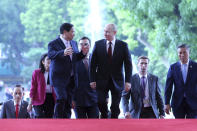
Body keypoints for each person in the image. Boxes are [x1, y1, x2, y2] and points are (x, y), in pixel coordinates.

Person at [90, 23, 132, 118]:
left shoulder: (123, 45)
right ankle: (104, 115)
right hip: (100, 80)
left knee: (115, 106)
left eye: (107, 32)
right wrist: (92, 80)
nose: (105, 34)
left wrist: (128, 81)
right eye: (104, 31)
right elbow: (92, 65)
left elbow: (128, 65)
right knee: (100, 102)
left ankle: (114, 121)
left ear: (115, 32)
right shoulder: (98, 44)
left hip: (117, 80)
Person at [48, 23, 88, 118]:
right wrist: (63, 52)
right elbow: (51, 55)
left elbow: (75, 57)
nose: (74, 34)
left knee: (68, 102)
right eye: (72, 32)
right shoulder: (53, 43)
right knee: (62, 98)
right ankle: (57, 120)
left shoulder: (73, 43)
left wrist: (83, 53)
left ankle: (67, 121)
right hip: (59, 78)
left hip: (71, 78)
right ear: (65, 32)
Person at [165, 44, 197, 118]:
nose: (182, 55)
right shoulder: (173, 67)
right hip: (178, 103)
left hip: (194, 103)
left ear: (189, 53)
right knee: (179, 127)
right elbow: (168, 86)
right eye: (180, 53)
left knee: (192, 126)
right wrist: (166, 103)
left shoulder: (195, 67)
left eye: (184, 52)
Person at [73, 36, 99, 118]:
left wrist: (106, 96)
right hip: (78, 99)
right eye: (81, 44)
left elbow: (102, 77)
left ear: (90, 46)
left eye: (85, 44)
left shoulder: (96, 59)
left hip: (94, 98)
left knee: (95, 125)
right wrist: (71, 99)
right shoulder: (73, 60)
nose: (83, 46)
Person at [27, 53, 56, 118]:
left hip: (51, 98)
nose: (50, 61)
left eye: (51, 59)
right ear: (43, 62)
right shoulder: (36, 73)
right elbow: (33, 89)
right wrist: (30, 103)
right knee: (39, 116)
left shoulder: (55, 73)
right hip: (38, 98)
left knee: (49, 117)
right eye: (48, 59)